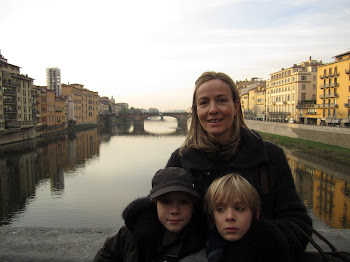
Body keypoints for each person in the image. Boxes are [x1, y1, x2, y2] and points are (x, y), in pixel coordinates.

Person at [123, 71, 312, 261]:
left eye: (221, 100)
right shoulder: (181, 158)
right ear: (196, 110)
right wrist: (147, 219)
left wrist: (256, 239)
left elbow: (299, 225)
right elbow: (157, 203)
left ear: (236, 106)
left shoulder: (270, 156)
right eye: (204, 103)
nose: (213, 109)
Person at [94, 167, 205, 262]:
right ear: (155, 204)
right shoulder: (132, 232)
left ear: (193, 206)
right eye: (166, 202)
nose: (175, 210)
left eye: (183, 202)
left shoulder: (200, 241)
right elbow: (106, 254)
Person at [204, 173, 289, 262]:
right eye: (220, 209)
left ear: (255, 214)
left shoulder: (272, 247)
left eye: (239, 209)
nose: (230, 217)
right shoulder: (206, 252)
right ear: (212, 216)